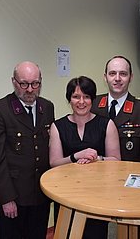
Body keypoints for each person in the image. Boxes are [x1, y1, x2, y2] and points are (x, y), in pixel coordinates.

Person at [0, 61, 55, 239]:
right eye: (24, 84)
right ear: (14, 82)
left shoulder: (46, 107)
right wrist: (7, 198)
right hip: (12, 197)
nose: (30, 89)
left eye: (35, 83)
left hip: (40, 195)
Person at [49, 76, 121, 239]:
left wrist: (97, 159)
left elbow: (116, 161)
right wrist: (76, 157)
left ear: (92, 99)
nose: (81, 101)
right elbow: (54, 163)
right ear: (69, 99)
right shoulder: (57, 126)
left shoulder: (107, 124)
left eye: (86, 97)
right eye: (76, 97)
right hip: (65, 197)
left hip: (97, 197)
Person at [91, 56, 140, 163]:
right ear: (105, 77)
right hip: (96, 174)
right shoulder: (92, 105)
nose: (117, 78)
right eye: (112, 73)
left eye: (123, 74)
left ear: (131, 77)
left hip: (128, 175)